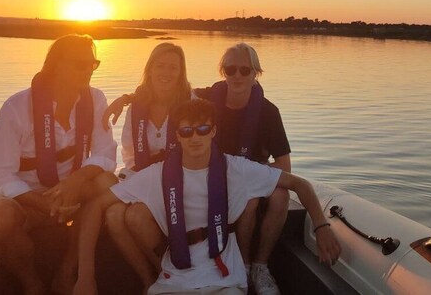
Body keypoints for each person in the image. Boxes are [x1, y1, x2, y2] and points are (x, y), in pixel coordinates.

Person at [74, 98, 340, 295]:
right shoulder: (158, 175)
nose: (195, 138)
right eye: (186, 131)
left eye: (203, 130)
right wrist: (85, 275)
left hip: (224, 277)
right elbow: (96, 207)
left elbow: (299, 184)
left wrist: (322, 226)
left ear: (213, 131)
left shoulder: (236, 169)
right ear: (177, 135)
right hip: (174, 278)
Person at [0, 34, 117, 295]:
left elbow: (106, 154)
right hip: (25, 198)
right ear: (56, 64)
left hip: (71, 194)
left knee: (108, 183)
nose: (88, 70)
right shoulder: (17, 107)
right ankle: (32, 284)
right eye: (79, 64)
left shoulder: (96, 100)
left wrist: (74, 182)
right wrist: (42, 202)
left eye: (93, 64)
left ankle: (67, 272)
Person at [195, 43, 291, 295]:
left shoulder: (269, 112)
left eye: (244, 70)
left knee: (280, 196)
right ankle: (241, 264)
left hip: (249, 173)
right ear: (222, 72)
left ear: (255, 73)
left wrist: (256, 175)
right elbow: (167, 92)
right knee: (247, 200)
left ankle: (258, 267)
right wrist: (129, 98)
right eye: (230, 69)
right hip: (212, 174)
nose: (237, 75)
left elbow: (284, 166)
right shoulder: (204, 100)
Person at [102, 42, 193, 278]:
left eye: (173, 67)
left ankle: (168, 275)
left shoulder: (191, 103)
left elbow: (196, 149)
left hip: (180, 180)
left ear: (181, 72)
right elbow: (129, 152)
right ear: (150, 69)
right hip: (141, 177)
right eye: (160, 66)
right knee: (112, 216)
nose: (166, 73)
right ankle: (148, 278)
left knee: (136, 216)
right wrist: (141, 183)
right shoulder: (137, 106)